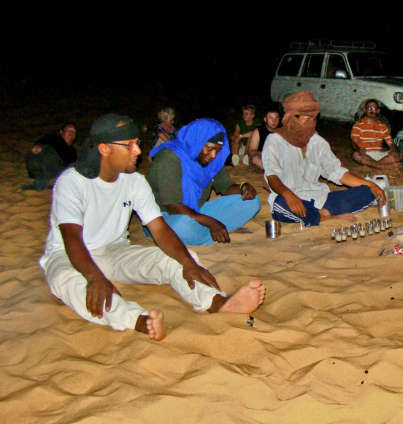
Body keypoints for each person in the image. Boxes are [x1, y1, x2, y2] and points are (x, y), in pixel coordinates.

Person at [39, 114, 266, 341]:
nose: (137, 151)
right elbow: (71, 239)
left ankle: (218, 302)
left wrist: (187, 263)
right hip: (69, 254)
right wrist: (94, 277)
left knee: (177, 260)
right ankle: (139, 320)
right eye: (129, 145)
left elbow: (160, 229)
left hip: (114, 250)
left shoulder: (135, 181)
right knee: (67, 282)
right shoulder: (73, 182)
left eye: (137, 143)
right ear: (104, 149)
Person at [262, 91, 386, 227]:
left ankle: (321, 213)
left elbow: (337, 172)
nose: (312, 124)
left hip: (319, 198)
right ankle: (326, 217)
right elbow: (271, 176)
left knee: (367, 192)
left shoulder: (318, 143)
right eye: (307, 120)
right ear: (292, 119)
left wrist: (371, 185)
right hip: (289, 198)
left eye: (314, 120)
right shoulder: (275, 140)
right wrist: (288, 194)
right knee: (280, 205)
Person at [147, 118, 261, 246]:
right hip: (166, 217)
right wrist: (211, 222)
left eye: (217, 150)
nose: (213, 155)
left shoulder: (212, 159)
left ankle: (206, 232)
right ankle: (212, 232)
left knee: (252, 201)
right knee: (182, 226)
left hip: (197, 210)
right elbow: (173, 206)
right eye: (210, 149)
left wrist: (243, 187)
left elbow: (225, 187)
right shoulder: (169, 158)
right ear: (197, 142)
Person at [24, 121, 78, 191]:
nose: (71, 134)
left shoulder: (73, 151)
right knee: (48, 150)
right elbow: (42, 141)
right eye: (69, 130)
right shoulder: (53, 138)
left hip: (54, 171)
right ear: (61, 132)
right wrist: (38, 146)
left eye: (74, 133)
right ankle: (46, 181)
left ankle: (45, 181)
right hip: (41, 164)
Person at [351, 99, 401, 169]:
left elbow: (391, 143)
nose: (372, 110)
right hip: (365, 154)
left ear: (378, 111)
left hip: (379, 154)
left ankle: (372, 165)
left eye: (374, 108)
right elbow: (354, 143)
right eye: (369, 108)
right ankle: (384, 166)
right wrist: (358, 149)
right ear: (365, 110)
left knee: (398, 155)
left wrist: (394, 150)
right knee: (356, 155)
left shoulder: (383, 125)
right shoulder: (358, 124)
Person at [246, 105, 281, 173]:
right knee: (255, 159)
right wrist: (268, 154)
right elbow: (251, 151)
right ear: (265, 119)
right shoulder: (259, 131)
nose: (274, 121)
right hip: (262, 157)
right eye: (271, 118)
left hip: (278, 158)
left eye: (276, 118)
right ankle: (273, 172)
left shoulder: (282, 131)